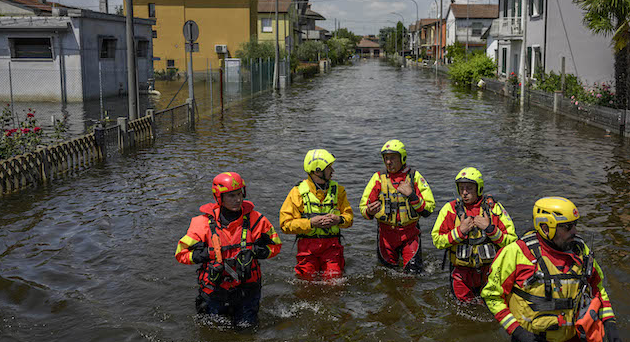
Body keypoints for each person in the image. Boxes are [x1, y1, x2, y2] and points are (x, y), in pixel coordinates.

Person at [482, 197, 623, 342]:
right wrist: (518, 332)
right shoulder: (516, 254)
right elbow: (491, 295)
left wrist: (610, 323)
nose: (574, 231)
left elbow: (598, 289)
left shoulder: (580, 252)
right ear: (546, 228)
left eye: (574, 225)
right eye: (567, 227)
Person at [175, 172, 280, 327]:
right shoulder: (202, 224)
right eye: (231, 196)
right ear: (219, 197)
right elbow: (181, 254)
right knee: (213, 331)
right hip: (214, 290)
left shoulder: (257, 220)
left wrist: (256, 252)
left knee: (247, 330)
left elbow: (276, 246)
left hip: (247, 289)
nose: (237, 200)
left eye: (239, 194)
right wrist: (206, 254)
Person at [431, 167, 516, 302]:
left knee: (492, 307)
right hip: (461, 274)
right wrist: (459, 231)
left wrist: (490, 229)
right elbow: (437, 240)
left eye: (469, 188)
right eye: (461, 188)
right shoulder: (449, 209)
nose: (464, 193)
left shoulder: (494, 209)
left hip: (489, 273)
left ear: (479, 188)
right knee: (463, 311)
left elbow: (512, 242)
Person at [359, 139, 435, 272]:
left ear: (402, 158)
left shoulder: (414, 177)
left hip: (410, 234)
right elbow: (363, 208)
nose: (388, 162)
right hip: (385, 235)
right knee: (387, 274)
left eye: (392, 158)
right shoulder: (377, 178)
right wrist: (369, 211)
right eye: (386, 158)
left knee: (413, 273)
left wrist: (412, 196)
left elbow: (429, 209)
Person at [279, 149, 354, 279]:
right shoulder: (297, 192)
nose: (333, 171)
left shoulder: (339, 191)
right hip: (307, 249)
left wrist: (339, 220)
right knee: (306, 280)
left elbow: (349, 218)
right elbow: (285, 225)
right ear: (317, 171)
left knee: (334, 279)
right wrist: (310, 223)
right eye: (329, 167)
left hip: (332, 247)